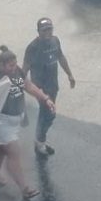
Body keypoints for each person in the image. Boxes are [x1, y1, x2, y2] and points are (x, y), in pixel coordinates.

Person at [0, 45, 55, 201]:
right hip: (1, 121)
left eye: (15, 64)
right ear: (1, 65)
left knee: (1, 149)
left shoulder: (17, 71)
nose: (14, 68)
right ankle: (25, 188)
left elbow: (28, 86)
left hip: (15, 120)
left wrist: (45, 98)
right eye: (11, 65)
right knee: (13, 152)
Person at [23, 17, 75, 156]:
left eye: (50, 29)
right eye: (44, 30)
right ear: (38, 31)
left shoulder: (55, 40)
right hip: (40, 87)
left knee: (48, 115)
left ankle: (40, 140)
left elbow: (61, 57)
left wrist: (69, 74)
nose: (48, 32)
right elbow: (24, 69)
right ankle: (40, 142)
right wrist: (23, 87)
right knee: (48, 114)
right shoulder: (33, 47)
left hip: (53, 85)